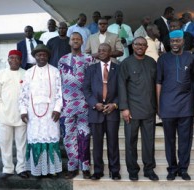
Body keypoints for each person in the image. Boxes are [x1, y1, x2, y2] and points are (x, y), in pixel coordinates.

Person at [156, 30, 194, 181]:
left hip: (186, 106)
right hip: (167, 105)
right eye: (172, 41)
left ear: (183, 41)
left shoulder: (190, 58)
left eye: (177, 41)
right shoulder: (163, 59)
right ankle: (172, 168)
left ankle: (183, 168)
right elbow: (158, 83)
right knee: (169, 140)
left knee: (185, 139)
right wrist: (159, 105)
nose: (174, 44)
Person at [118, 37, 158, 181]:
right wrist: (124, 108)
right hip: (132, 110)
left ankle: (149, 170)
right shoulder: (126, 63)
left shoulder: (152, 62)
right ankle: (133, 170)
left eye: (143, 44)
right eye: (137, 44)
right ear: (132, 46)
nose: (140, 47)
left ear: (147, 47)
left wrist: (157, 107)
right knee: (130, 142)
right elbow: (121, 86)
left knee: (149, 142)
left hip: (149, 109)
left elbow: (157, 86)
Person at [19, 44, 63, 177]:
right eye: (39, 55)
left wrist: (57, 109)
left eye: (44, 54)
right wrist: (23, 110)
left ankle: (52, 170)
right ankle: (37, 170)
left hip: (50, 112)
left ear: (48, 56)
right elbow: (24, 94)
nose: (42, 57)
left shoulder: (55, 71)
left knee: (51, 137)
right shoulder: (28, 73)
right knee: (36, 138)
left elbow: (59, 91)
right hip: (33, 113)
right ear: (35, 57)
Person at [58, 32, 95, 179]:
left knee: (84, 136)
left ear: (82, 42)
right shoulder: (62, 60)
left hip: (84, 104)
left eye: (78, 39)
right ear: (69, 42)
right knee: (68, 137)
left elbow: (93, 81)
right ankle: (72, 167)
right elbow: (59, 82)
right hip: (66, 105)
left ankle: (85, 167)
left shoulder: (89, 59)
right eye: (73, 39)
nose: (75, 41)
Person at [83, 43, 121, 180]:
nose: (101, 52)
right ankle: (98, 171)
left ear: (110, 52)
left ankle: (115, 171)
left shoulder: (118, 68)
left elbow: (122, 90)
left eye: (104, 50)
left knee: (113, 143)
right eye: (99, 50)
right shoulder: (91, 69)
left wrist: (115, 104)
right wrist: (94, 104)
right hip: (96, 112)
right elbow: (86, 90)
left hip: (112, 112)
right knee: (97, 144)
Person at [0, 50, 28, 180]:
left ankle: (21, 168)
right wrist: (0, 109)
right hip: (4, 114)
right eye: (11, 58)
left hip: (21, 114)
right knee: (5, 143)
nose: (14, 60)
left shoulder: (26, 73)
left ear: (20, 60)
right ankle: (7, 168)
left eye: (17, 58)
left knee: (22, 143)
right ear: (8, 60)